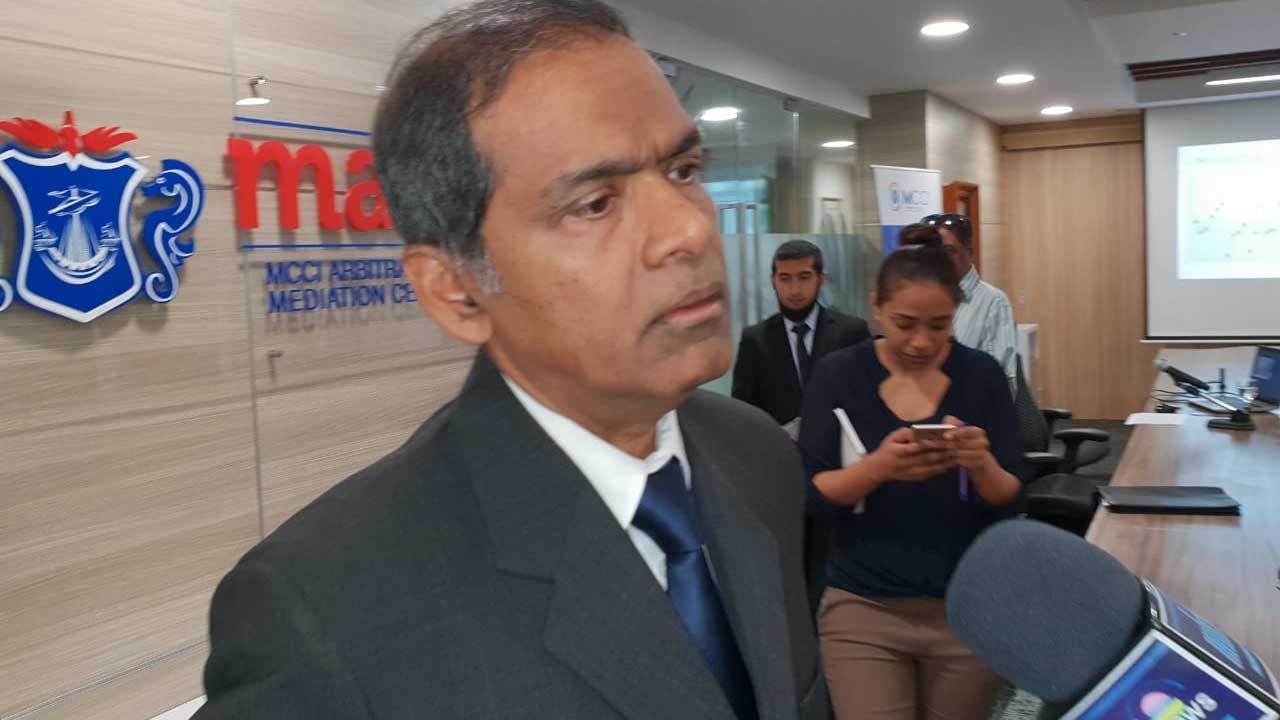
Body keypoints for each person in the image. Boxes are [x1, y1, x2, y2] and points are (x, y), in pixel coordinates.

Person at [195, 2, 828, 719]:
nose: (689, 227)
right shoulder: (320, 611)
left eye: (684, 170)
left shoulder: (758, 458)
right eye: (595, 204)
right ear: (457, 290)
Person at [798, 244, 1025, 720]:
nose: (921, 342)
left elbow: (1010, 497)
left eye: (939, 326)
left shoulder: (980, 376)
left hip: (966, 605)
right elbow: (812, 495)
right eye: (905, 324)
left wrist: (980, 463)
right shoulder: (839, 375)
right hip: (864, 607)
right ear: (876, 307)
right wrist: (878, 468)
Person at [732, 240, 871, 431]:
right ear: (773, 281)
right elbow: (743, 411)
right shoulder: (755, 340)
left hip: (840, 444)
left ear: (821, 279)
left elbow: (867, 399)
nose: (795, 290)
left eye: (804, 277)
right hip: (777, 446)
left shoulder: (852, 332)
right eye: (785, 278)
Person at [919, 213, 1018, 395]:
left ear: (970, 253)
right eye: (932, 252)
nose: (939, 260)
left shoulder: (994, 302)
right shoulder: (921, 300)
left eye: (948, 251)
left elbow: (1001, 383)